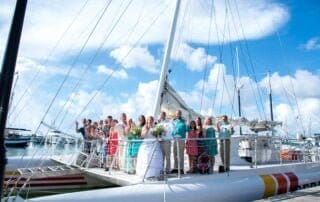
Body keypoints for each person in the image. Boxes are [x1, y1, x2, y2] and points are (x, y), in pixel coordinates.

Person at [172, 110, 187, 174]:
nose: (178, 114)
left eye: (179, 113)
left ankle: (181, 169)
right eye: (177, 113)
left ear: (181, 114)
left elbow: (187, 129)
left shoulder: (184, 122)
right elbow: (171, 129)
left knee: (181, 155)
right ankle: (175, 168)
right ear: (176, 114)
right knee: (175, 154)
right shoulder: (173, 121)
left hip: (181, 139)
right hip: (174, 139)